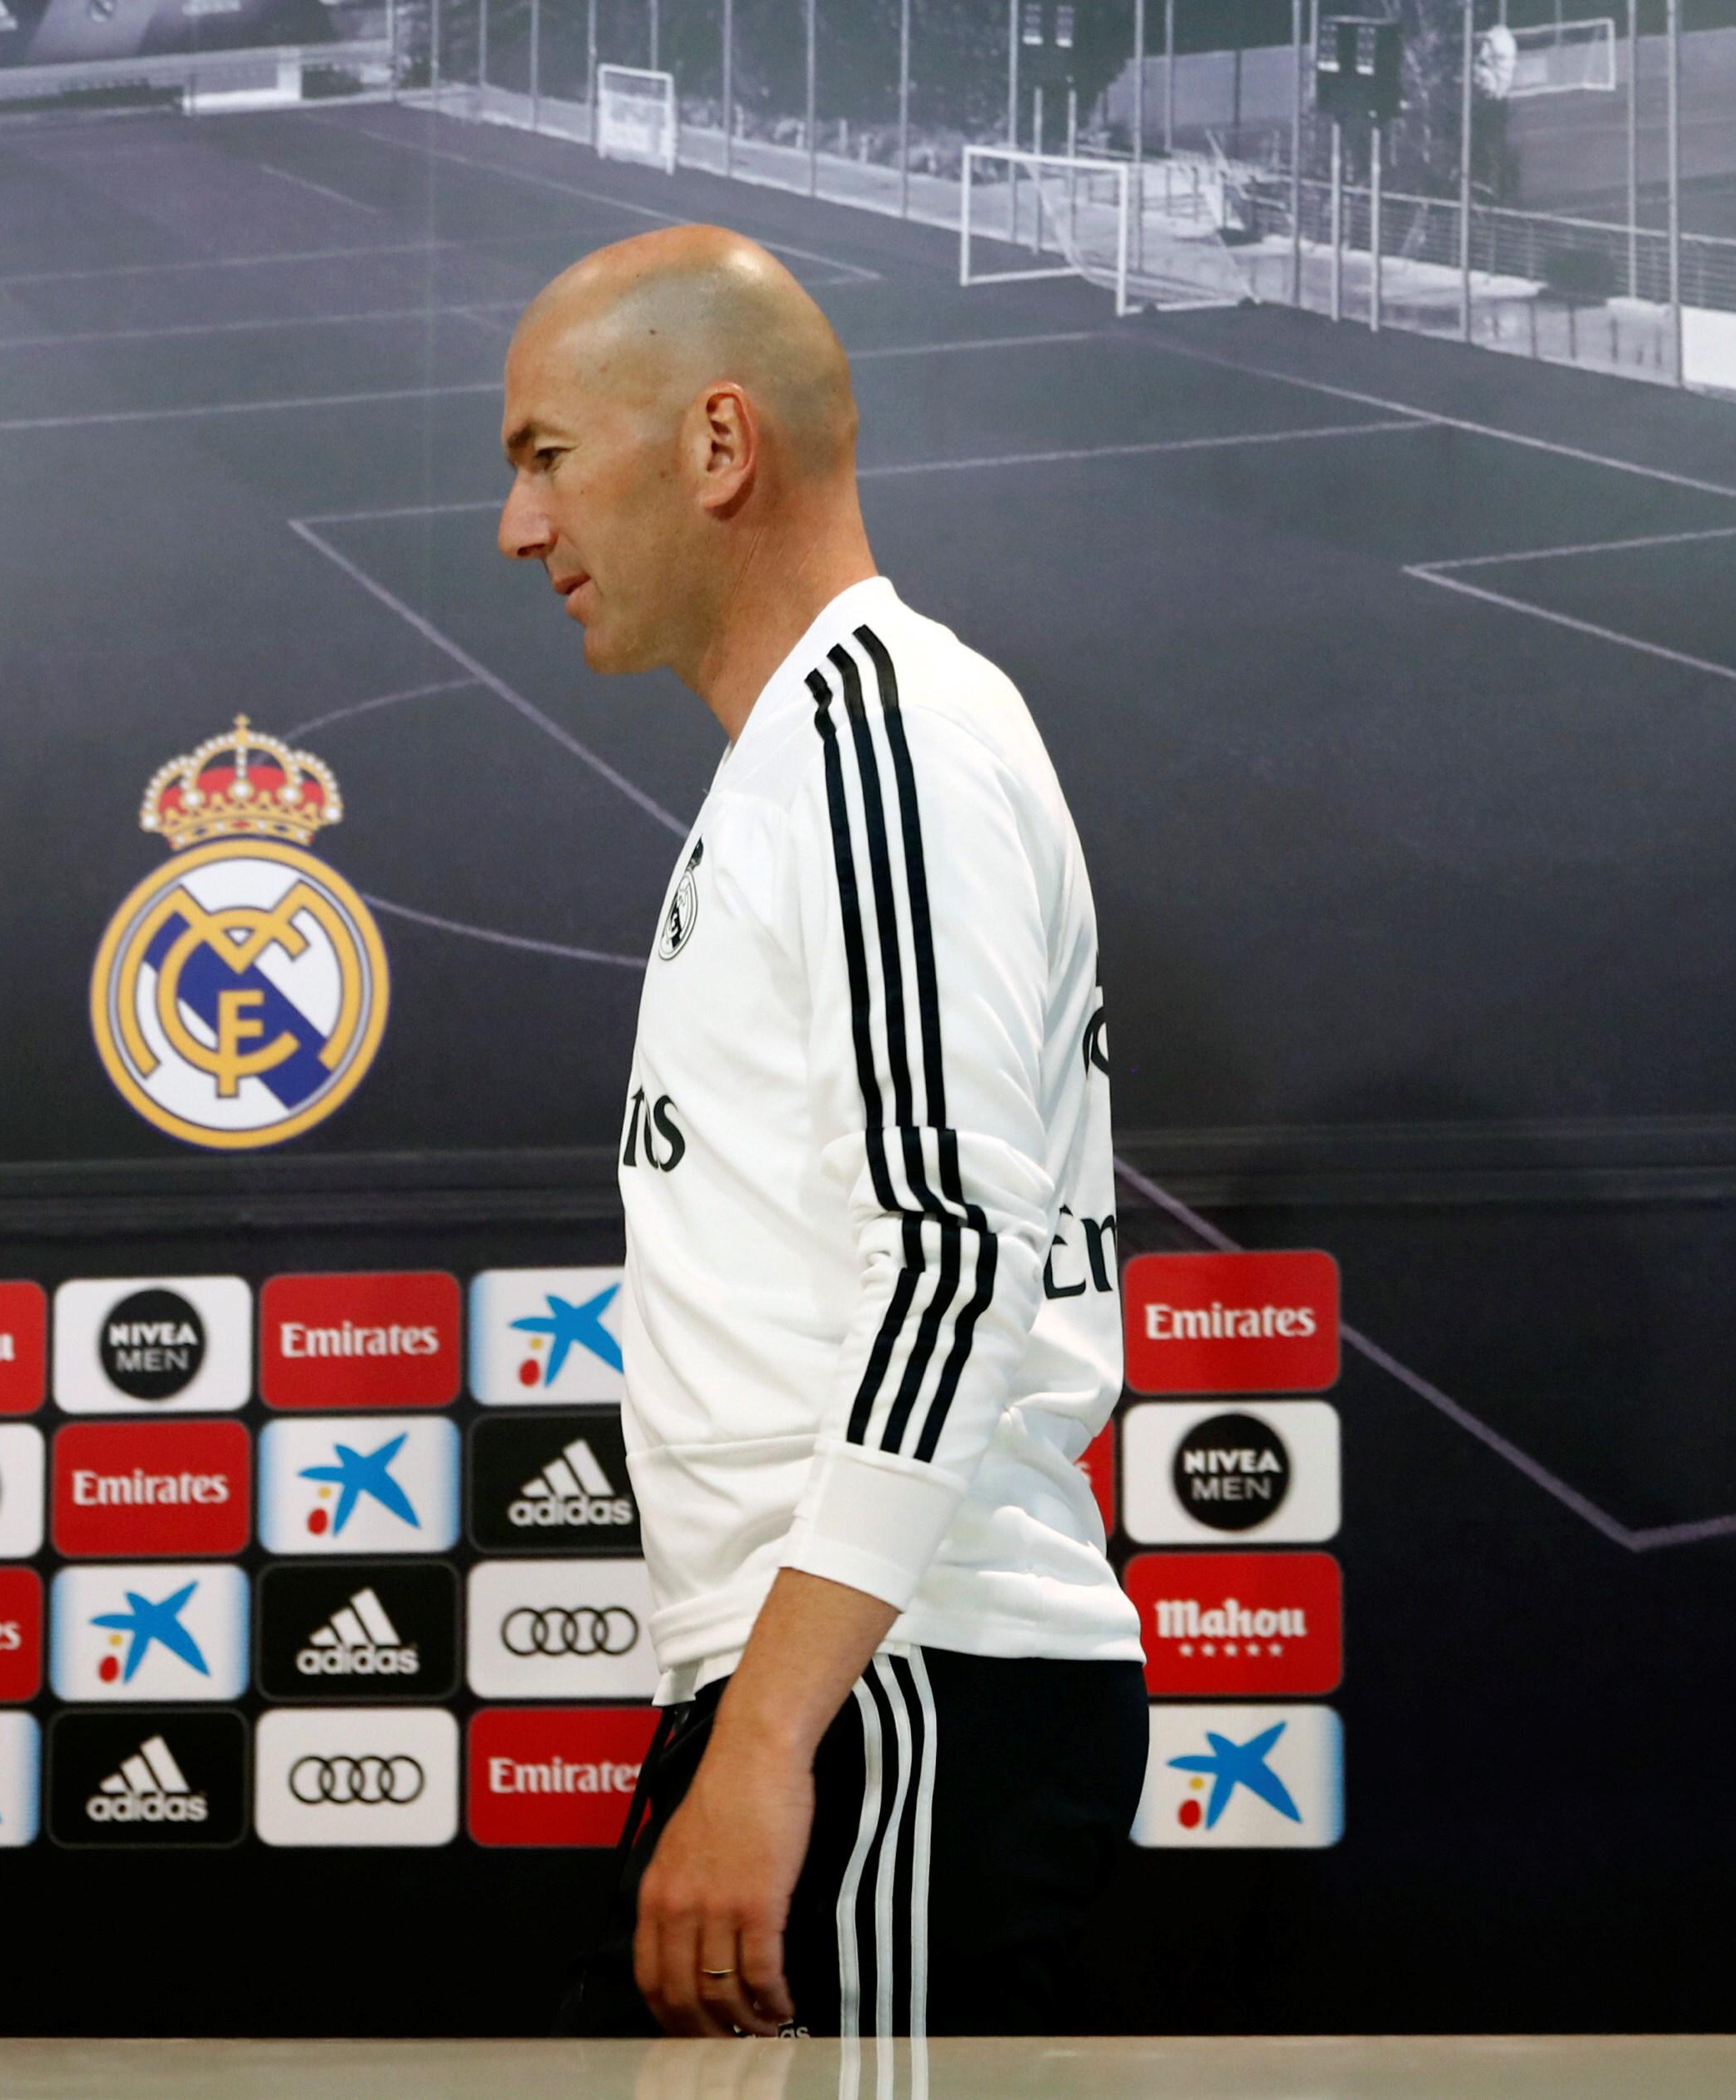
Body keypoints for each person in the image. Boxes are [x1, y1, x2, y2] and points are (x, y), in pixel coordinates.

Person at [496, 227, 1148, 2041]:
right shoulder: (802, 759)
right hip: (842, 1688)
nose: (519, 527)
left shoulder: (884, 737)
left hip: (896, 1688)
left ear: (717, 444)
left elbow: (950, 1252)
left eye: (547, 456)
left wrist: (772, 1734)